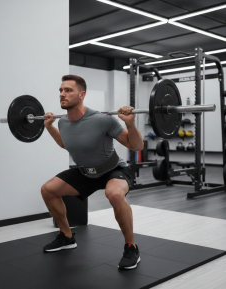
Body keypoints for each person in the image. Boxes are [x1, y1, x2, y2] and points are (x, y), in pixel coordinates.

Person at [41, 75, 144, 270]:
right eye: (61, 90)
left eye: (68, 90)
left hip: (112, 170)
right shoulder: (63, 123)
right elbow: (66, 143)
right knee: (48, 190)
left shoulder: (102, 120)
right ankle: (67, 237)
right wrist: (49, 127)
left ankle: (131, 247)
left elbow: (136, 146)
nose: (62, 94)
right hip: (85, 172)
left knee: (114, 194)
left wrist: (129, 124)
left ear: (82, 95)